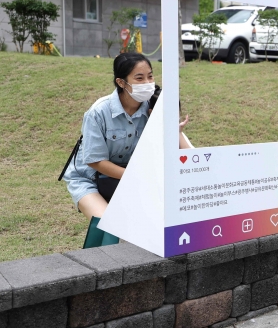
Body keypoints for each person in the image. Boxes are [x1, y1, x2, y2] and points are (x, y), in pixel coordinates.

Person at [63, 53, 192, 220]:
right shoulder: (98, 112)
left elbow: (189, 153)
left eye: (150, 76)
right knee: (108, 224)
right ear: (121, 82)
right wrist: (138, 177)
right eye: (139, 78)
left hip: (133, 178)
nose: (147, 83)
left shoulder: (155, 104)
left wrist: (175, 131)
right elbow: (95, 161)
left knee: (153, 222)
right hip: (90, 179)